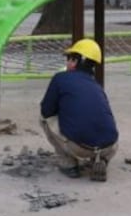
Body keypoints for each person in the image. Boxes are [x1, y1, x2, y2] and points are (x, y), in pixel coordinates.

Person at [38, 39, 118, 182]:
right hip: (109, 146)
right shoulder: (96, 85)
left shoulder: (60, 78)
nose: (67, 63)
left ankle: (69, 164)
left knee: (43, 119)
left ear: (75, 61)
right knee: (103, 126)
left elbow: (46, 111)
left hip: (79, 147)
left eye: (69, 59)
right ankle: (101, 160)